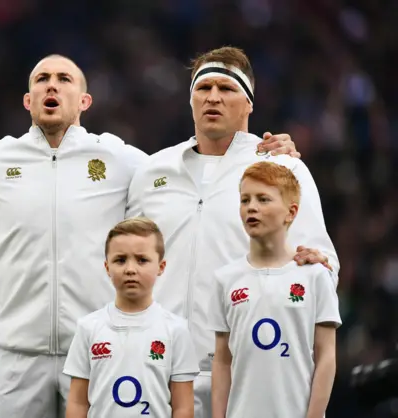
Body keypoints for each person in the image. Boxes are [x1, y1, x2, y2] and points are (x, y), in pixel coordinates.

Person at [0, 53, 299, 418]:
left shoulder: (118, 159)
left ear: (84, 102)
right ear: (28, 100)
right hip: (17, 355)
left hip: (98, 350)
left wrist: (261, 153)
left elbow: (190, 181)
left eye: (64, 79)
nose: (51, 85)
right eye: (41, 79)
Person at [126, 46, 339, 418]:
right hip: (159, 367)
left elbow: (323, 266)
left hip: (250, 370)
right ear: (190, 100)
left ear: (249, 103)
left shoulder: (281, 169)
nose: (212, 97)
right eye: (203, 88)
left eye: (226, 88)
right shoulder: (152, 172)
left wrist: (315, 269)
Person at [208, 161, 340, 418]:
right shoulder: (226, 279)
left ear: (291, 212)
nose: (251, 207)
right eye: (245, 200)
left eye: (263, 199)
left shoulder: (315, 276)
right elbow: (223, 361)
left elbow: (326, 357)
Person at [64, 217, 199, 418]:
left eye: (142, 260)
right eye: (120, 260)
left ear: (161, 267)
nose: (130, 269)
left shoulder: (176, 330)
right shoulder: (88, 328)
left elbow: (183, 407)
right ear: (107, 267)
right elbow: (77, 403)